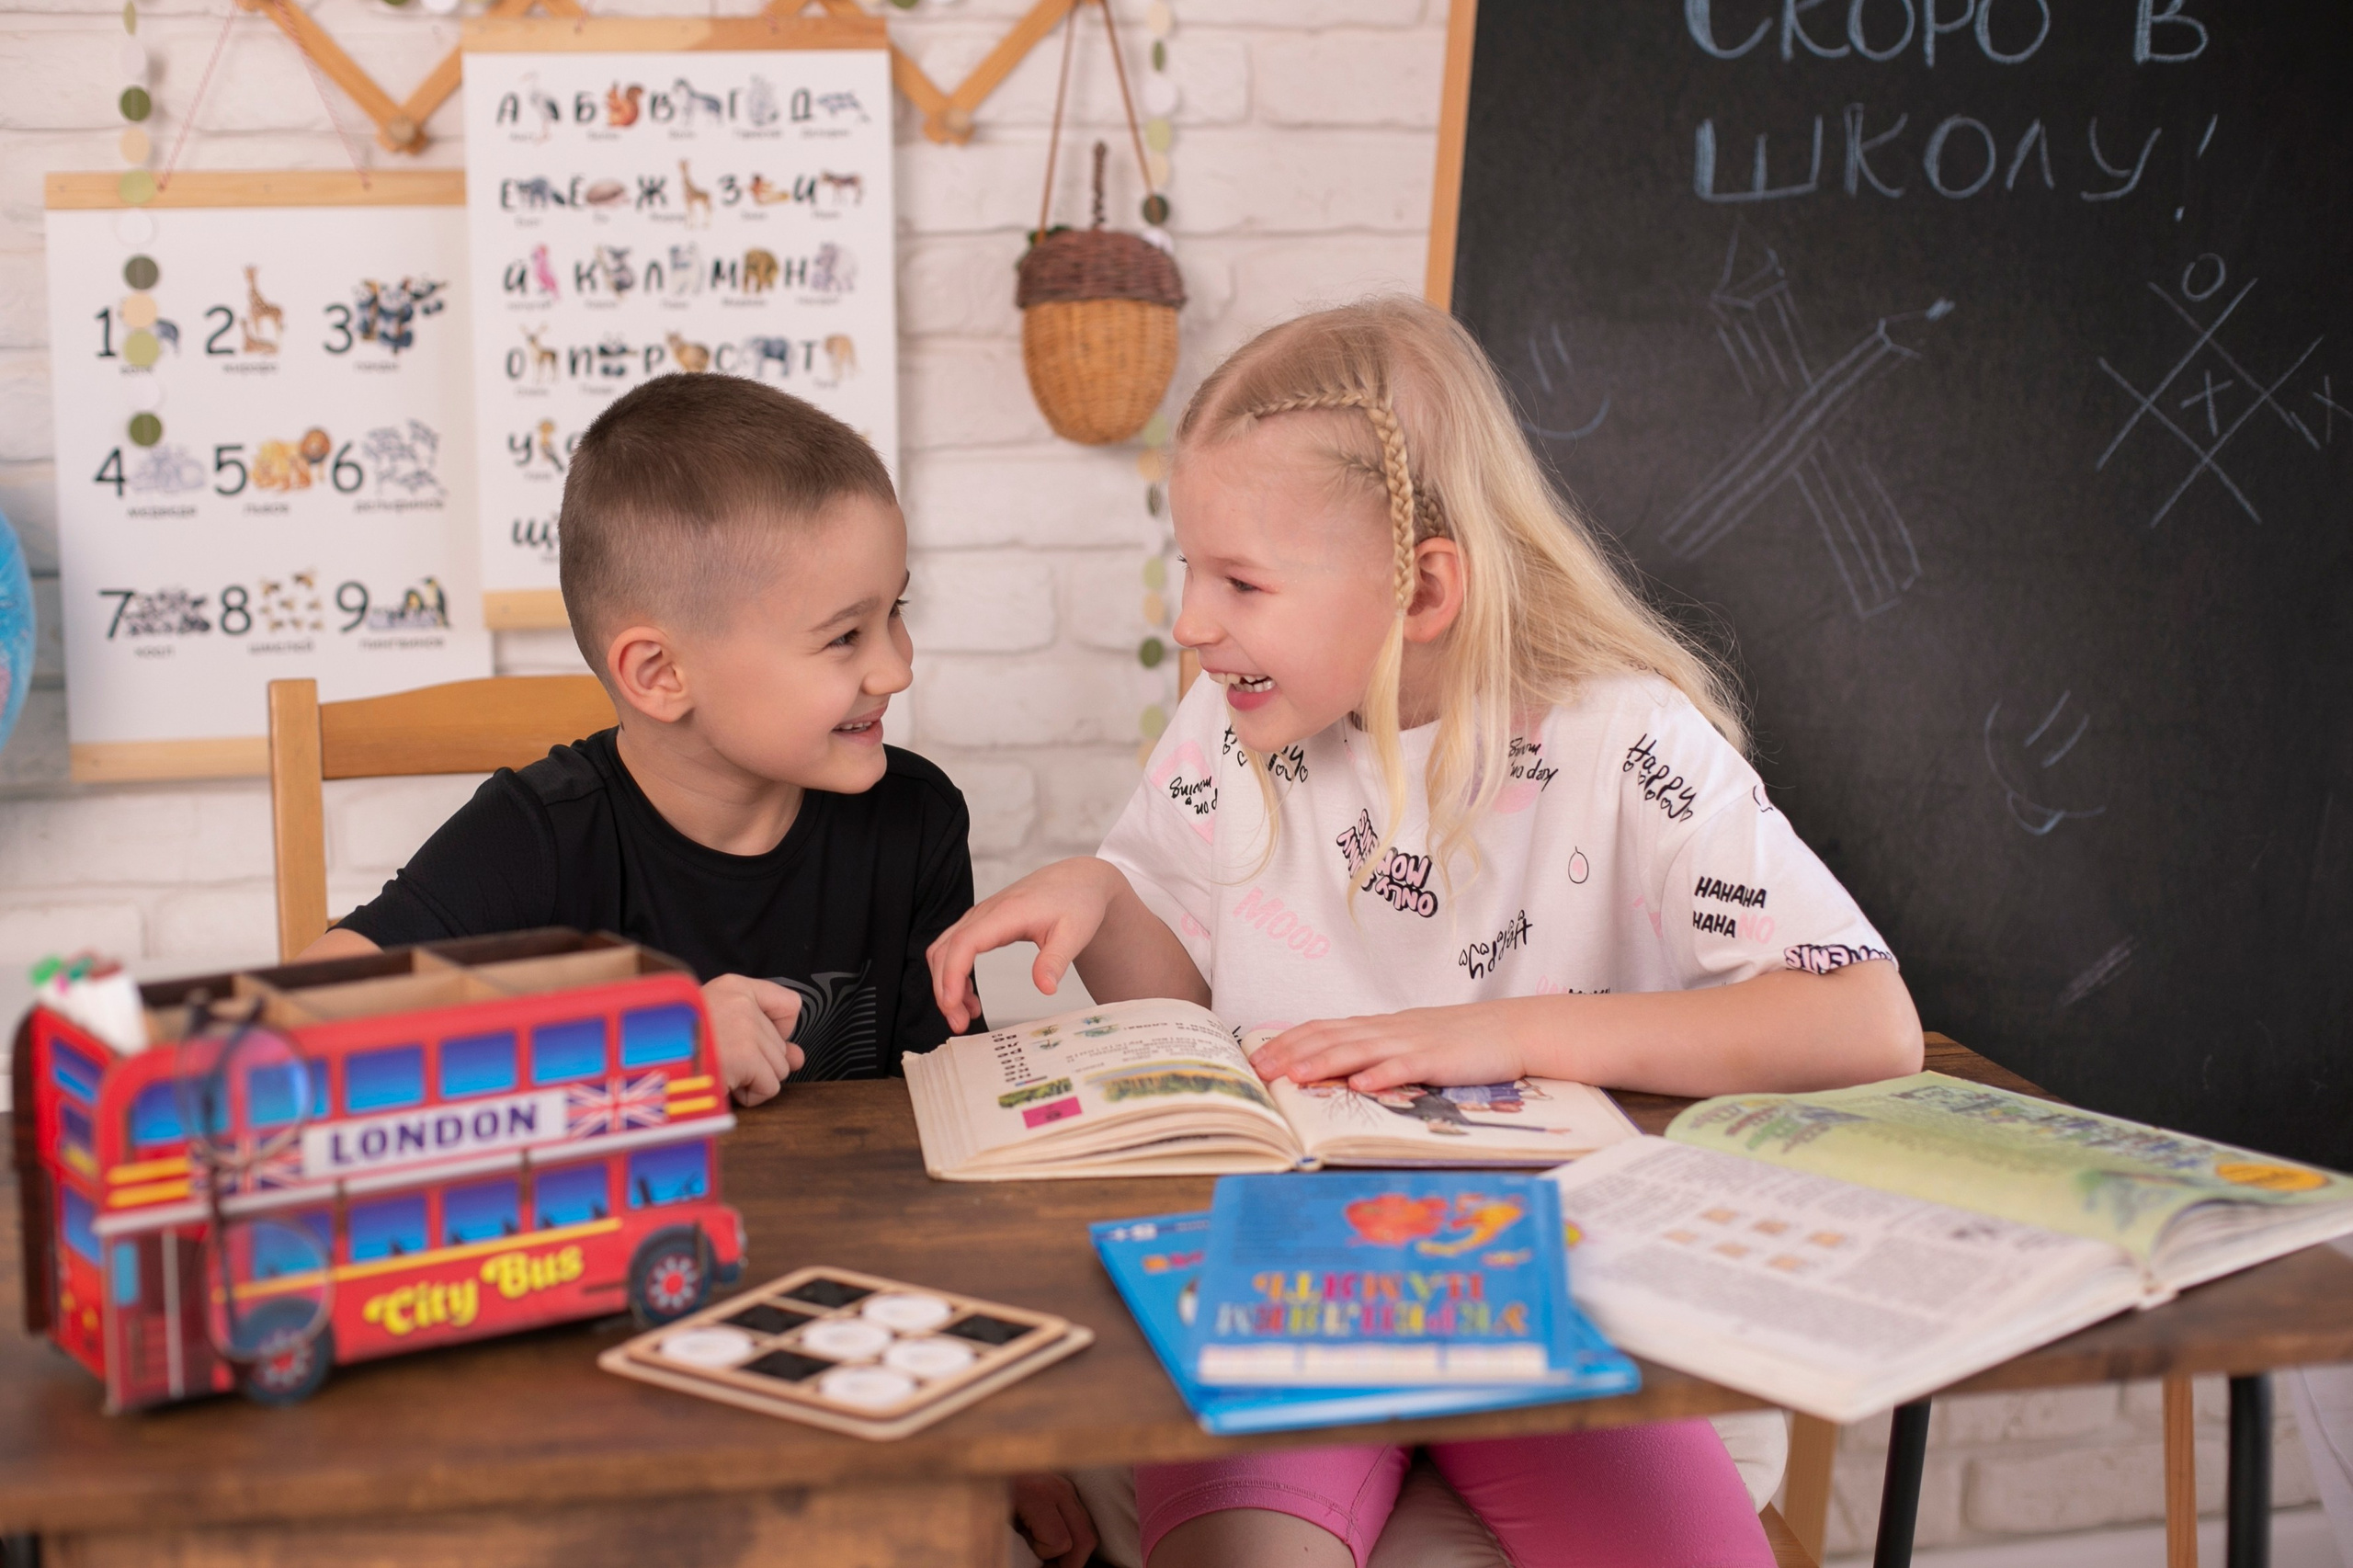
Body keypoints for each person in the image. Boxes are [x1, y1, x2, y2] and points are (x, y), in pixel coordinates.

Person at [926, 296, 1924, 1568]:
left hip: (1564, 1282)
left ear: (1424, 587)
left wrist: (1499, 1034)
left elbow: (1864, 1018)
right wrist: (1105, 900)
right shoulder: (1232, 723)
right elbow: (1184, 1017)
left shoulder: (1629, 738)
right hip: (1289, 1271)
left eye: (1240, 580)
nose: (1190, 620)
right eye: (1189, 567)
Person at [301, 374, 983, 1100]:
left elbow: (946, 1108)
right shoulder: (537, 837)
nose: (896, 669)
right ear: (659, 673)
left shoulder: (917, 819)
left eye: (895, 611)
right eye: (845, 636)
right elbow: (285, 1033)